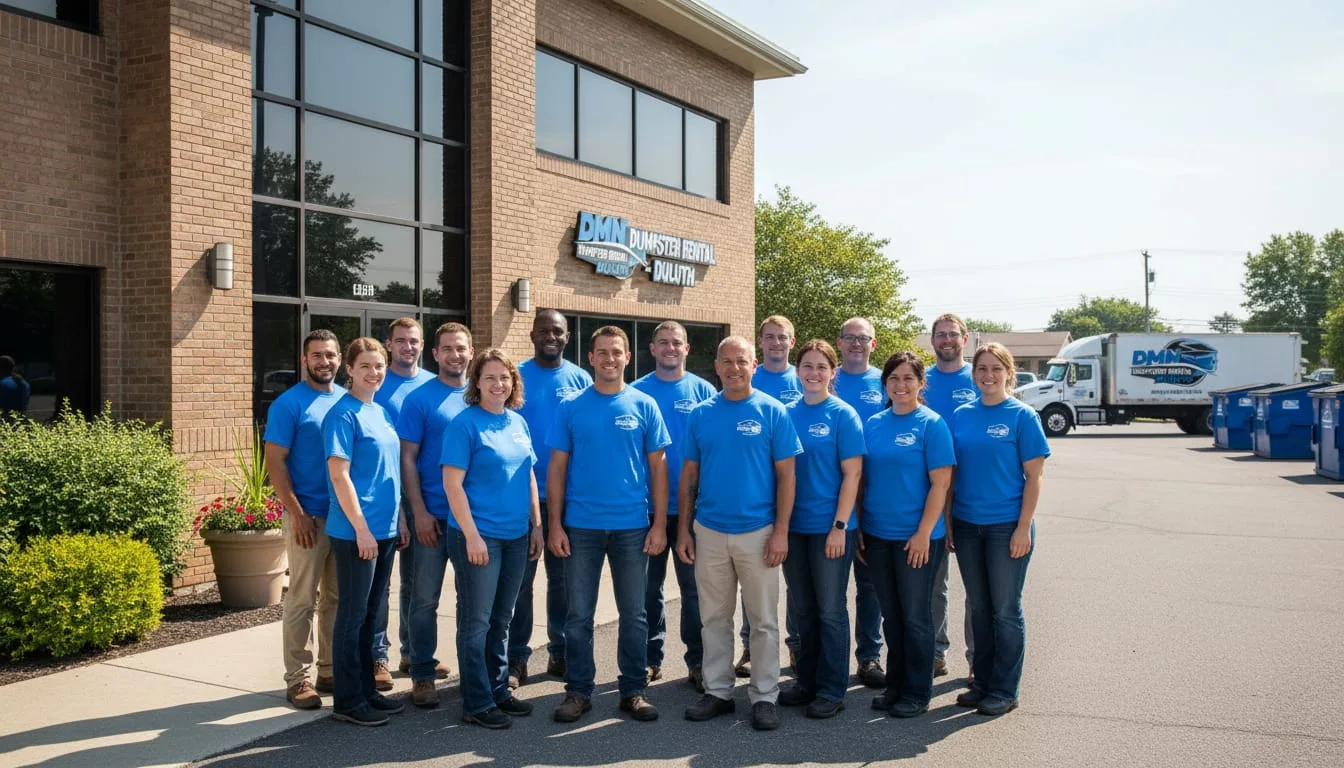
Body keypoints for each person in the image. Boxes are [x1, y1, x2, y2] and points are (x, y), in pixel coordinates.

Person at [548, 326, 670, 724]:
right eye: (602, 352)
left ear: (628, 357)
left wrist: (659, 525)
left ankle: (633, 690)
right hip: (581, 526)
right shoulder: (571, 406)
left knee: (634, 613)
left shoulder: (644, 404)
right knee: (578, 615)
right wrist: (554, 525)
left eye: (616, 352)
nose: (609, 359)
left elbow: (659, 468)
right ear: (590, 358)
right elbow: (557, 469)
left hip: (632, 526)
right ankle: (578, 691)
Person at [679, 336, 801, 732]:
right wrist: (684, 530)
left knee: (763, 620)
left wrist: (781, 531)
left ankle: (765, 696)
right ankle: (718, 691)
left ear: (754, 366)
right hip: (710, 530)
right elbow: (690, 475)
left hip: (759, 532)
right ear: (716, 367)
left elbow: (787, 476)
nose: (734, 368)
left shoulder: (773, 411)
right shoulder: (701, 414)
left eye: (742, 361)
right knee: (714, 617)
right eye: (727, 361)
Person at [440, 348, 545, 729]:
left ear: (514, 382)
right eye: (490, 377)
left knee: (502, 618)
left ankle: (498, 690)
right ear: (477, 383)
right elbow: (452, 485)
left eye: (505, 377)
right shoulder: (464, 425)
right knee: (476, 622)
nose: (498, 384)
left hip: (516, 536)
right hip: (480, 536)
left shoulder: (518, 422)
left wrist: (536, 525)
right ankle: (476, 701)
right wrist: (472, 536)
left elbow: (528, 475)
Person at [949, 343, 1049, 716]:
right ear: (973, 374)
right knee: (979, 608)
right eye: (981, 369)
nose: (988, 375)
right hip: (966, 524)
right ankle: (983, 682)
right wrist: (948, 520)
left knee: (1005, 610)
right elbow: (952, 474)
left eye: (995, 368)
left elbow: (1035, 477)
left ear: (1009, 372)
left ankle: (1005, 690)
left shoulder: (1022, 416)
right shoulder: (961, 415)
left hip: (1006, 526)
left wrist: (1023, 527)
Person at [862, 351, 955, 718]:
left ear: (921, 383)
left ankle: (917, 692)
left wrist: (923, 533)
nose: (900, 385)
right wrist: (859, 527)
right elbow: (863, 479)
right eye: (894, 378)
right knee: (892, 615)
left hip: (918, 538)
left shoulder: (932, 425)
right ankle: (895, 685)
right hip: (878, 535)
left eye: (908, 378)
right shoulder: (873, 424)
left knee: (916, 617)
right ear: (885, 384)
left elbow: (940, 484)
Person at [323, 337, 410, 727]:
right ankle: (347, 700)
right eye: (365, 366)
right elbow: (339, 476)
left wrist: (399, 518)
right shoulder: (342, 415)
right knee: (353, 614)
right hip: (357, 531)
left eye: (379, 366)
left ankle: (367, 691)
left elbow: (390, 471)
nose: (374, 373)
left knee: (372, 613)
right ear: (349, 370)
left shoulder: (381, 411)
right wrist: (361, 528)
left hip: (385, 529)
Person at [777, 340, 865, 719]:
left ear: (833, 372)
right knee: (803, 610)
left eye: (821, 367)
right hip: (794, 529)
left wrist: (840, 526)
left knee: (830, 610)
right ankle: (807, 682)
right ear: (798, 371)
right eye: (807, 366)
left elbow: (853, 474)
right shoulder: (785, 413)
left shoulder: (843, 415)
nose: (813, 373)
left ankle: (832, 688)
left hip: (831, 528)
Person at [508, 309, 593, 687]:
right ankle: (516, 658)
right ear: (531, 335)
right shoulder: (515, 377)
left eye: (557, 331)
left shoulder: (580, 379)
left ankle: (560, 651)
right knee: (520, 583)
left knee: (562, 582)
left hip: (566, 499)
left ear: (567, 337)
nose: (550, 337)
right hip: (522, 497)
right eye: (543, 330)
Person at [632, 321, 717, 693]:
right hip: (647, 509)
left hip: (693, 509)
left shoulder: (705, 392)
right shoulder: (636, 392)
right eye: (663, 342)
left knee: (695, 590)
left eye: (676, 342)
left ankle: (698, 662)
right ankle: (650, 660)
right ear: (652, 349)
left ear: (687, 348)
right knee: (648, 590)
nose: (670, 348)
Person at [264, 330, 345, 710]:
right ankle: (298, 679)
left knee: (336, 598)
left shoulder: (347, 399)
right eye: (316, 355)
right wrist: (296, 514)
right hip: (307, 517)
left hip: (342, 518)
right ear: (304, 360)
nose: (323, 362)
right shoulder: (289, 404)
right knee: (301, 599)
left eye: (329, 355)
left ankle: (329, 671)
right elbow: (275, 462)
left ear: (339, 359)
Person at [398, 323, 474, 708]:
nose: (454, 355)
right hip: (432, 518)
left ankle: (471, 673)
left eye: (460, 348)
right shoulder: (419, 399)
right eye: (447, 349)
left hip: (472, 522)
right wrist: (419, 512)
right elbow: (407, 459)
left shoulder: (482, 395)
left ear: (471, 352)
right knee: (424, 600)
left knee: (470, 602)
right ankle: (422, 674)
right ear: (435, 354)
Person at [372, 317, 437, 690]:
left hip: (421, 497)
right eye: (400, 341)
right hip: (383, 497)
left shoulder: (432, 385)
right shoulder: (376, 384)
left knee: (416, 582)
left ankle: (413, 652)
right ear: (389, 345)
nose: (407, 347)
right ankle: (377, 656)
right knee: (380, 583)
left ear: (422, 345)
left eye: (413, 341)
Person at [738, 314, 802, 677]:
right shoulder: (748, 376)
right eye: (770, 336)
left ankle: (795, 646)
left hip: (797, 491)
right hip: (757, 497)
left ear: (792, 342)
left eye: (783, 337)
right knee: (754, 581)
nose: (776, 342)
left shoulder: (803, 377)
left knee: (795, 581)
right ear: (760, 342)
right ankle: (750, 648)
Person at [832, 317, 888, 689]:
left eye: (863, 338)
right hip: (829, 499)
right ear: (839, 343)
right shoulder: (824, 377)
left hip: (875, 497)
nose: (856, 343)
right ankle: (810, 652)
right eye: (849, 338)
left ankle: (869, 657)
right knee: (828, 589)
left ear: (873, 343)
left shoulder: (886, 382)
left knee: (870, 585)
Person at [924, 312, 978, 680]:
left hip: (972, 494)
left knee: (977, 588)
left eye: (953, 334)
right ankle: (935, 652)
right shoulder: (921, 380)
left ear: (965, 338)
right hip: (930, 494)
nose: (946, 340)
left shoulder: (979, 376)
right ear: (932, 340)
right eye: (940, 334)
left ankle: (977, 660)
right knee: (934, 584)